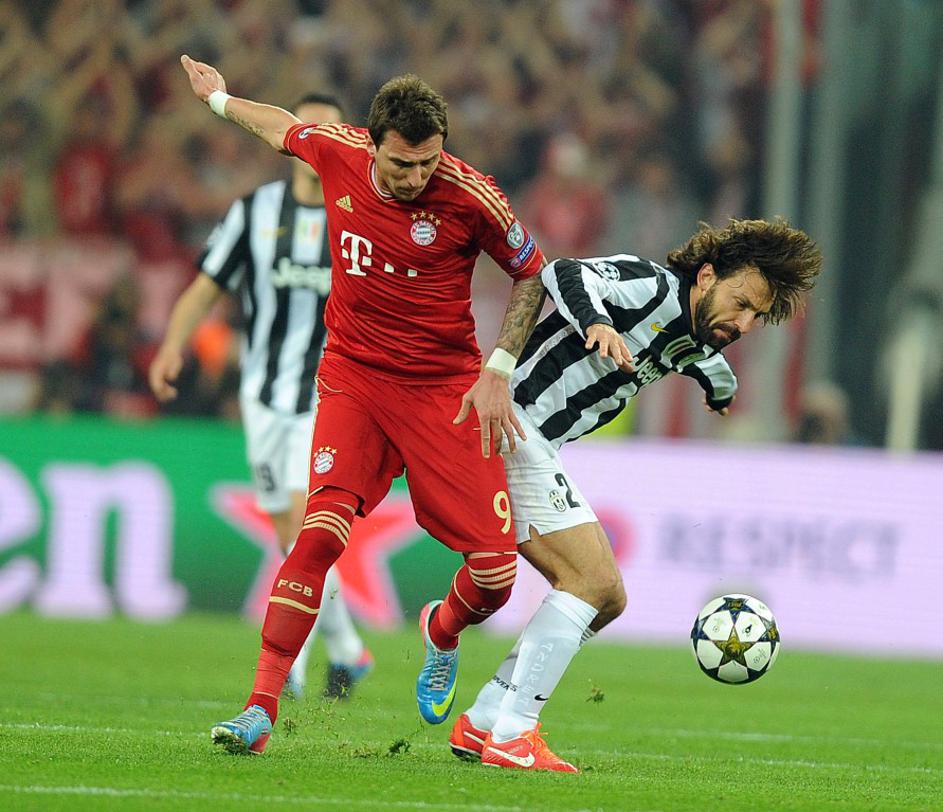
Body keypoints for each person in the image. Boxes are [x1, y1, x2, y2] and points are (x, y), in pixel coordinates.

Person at [177, 55, 550, 756]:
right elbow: (280, 127)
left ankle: (440, 631)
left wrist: (498, 369)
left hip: (444, 390)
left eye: (429, 162)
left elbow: (531, 272)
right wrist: (220, 100)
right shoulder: (336, 150)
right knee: (316, 535)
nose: (417, 178)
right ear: (372, 144)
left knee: (496, 576)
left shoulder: (473, 196)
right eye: (402, 164)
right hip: (356, 381)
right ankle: (259, 709)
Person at [448, 218, 823, 772]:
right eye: (741, 303)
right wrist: (597, 321)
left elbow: (710, 367)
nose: (744, 323)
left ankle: (484, 719)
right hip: (513, 425)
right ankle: (513, 731)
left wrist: (721, 393)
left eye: (756, 317)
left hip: (536, 443)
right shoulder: (651, 286)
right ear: (707, 276)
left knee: (608, 600)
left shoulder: (696, 339)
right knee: (591, 582)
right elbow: (561, 272)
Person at [148, 94, 373, 702]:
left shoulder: (359, 214)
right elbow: (206, 286)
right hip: (263, 393)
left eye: (329, 129)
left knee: (303, 524)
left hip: (329, 393)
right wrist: (172, 345)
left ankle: (289, 664)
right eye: (306, 126)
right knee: (287, 532)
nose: (316, 138)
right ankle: (348, 648)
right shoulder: (255, 211)